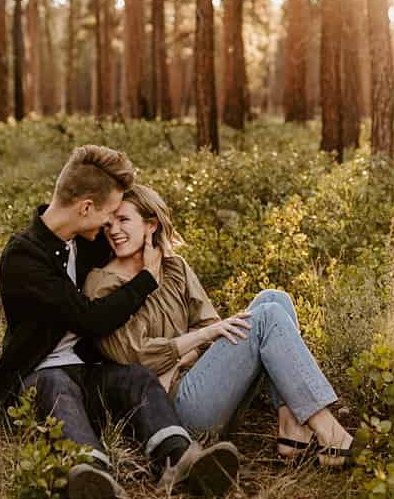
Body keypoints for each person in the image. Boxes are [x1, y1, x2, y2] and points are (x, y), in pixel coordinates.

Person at [0, 145, 240, 499]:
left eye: (116, 217)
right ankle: (93, 476)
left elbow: (139, 228)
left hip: (90, 372)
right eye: (107, 215)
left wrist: (156, 253)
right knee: (55, 384)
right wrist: (146, 279)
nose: (110, 226)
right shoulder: (23, 256)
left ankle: (180, 459)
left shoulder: (87, 239)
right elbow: (91, 319)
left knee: (136, 377)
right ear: (85, 208)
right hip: (38, 376)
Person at [84, 184, 355, 467]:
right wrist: (198, 339)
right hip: (173, 411)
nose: (113, 230)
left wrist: (180, 357)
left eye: (124, 220)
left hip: (200, 381)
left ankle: (292, 432)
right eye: (108, 224)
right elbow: (133, 355)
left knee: (273, 298)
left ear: (151, 224)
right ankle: (331, 434)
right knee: (266, 316)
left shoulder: (174, 268)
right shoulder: (101, 282)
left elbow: (210, 324)